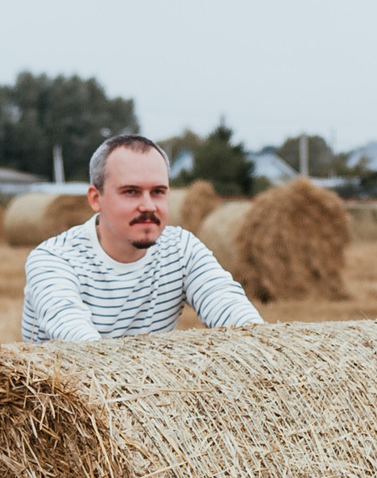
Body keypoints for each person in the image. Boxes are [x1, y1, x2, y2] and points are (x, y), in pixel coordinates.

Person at [21, 133, 263, 341]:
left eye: (158, 192)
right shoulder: (54, 260)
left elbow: (232, 311)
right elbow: (75, 337)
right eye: (131, 192)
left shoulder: (181, 249)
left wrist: (267, 348)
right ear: (96, 198)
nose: (148, 206)